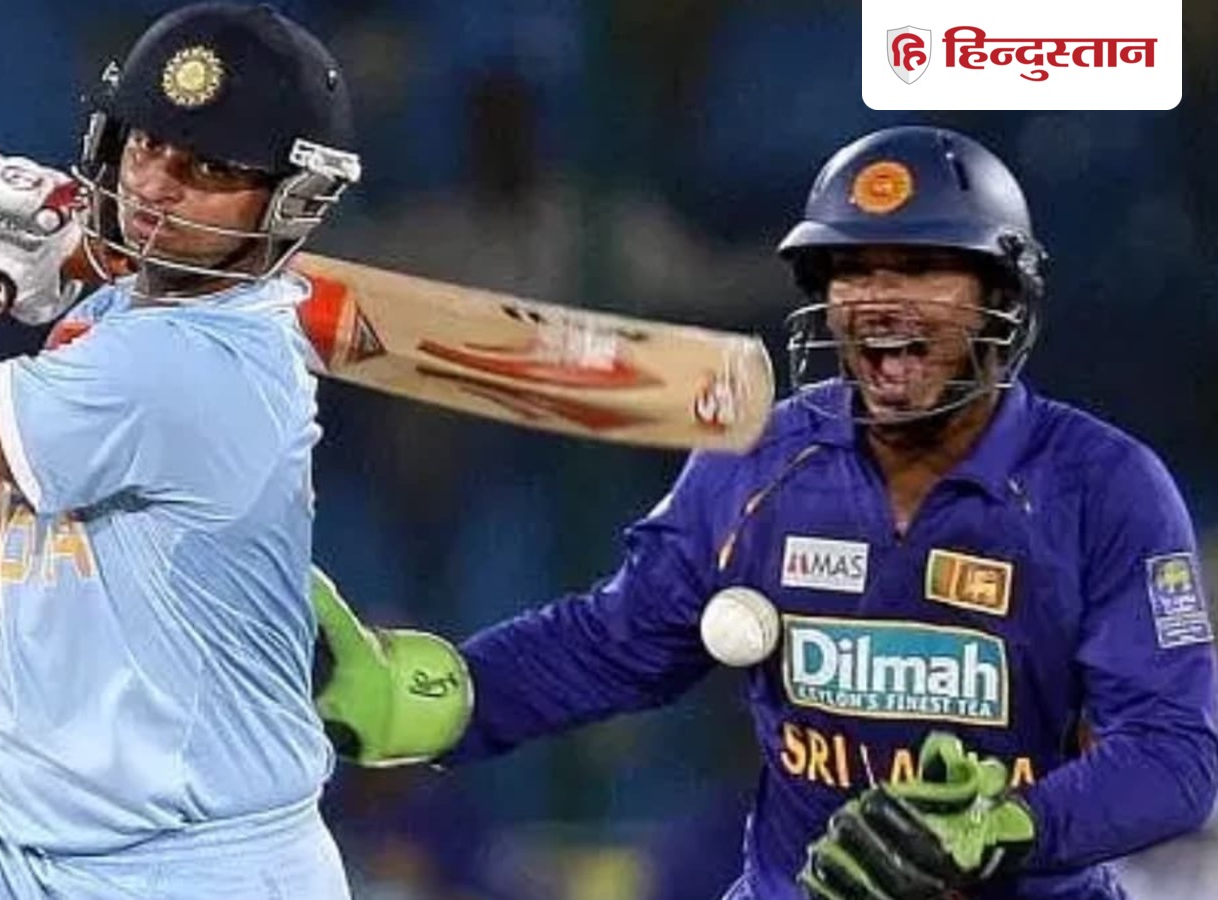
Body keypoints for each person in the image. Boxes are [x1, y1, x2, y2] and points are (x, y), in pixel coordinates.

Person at [311, 125, 1218, 899]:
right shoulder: (761, 459)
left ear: (1004, 297)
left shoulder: (1104, 486)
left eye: (921, 268)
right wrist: (454, 697)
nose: (880, 303)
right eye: (851, 271)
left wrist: (1006, 824)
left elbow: (1175, 756)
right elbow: (618, 641)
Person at [0, 3, 362, 898]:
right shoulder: (114, 322)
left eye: (210, 169)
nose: (157, 187)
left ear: (292, 200)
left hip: (192, 867)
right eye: (148, 145)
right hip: (6, 835)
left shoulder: (192, 366)